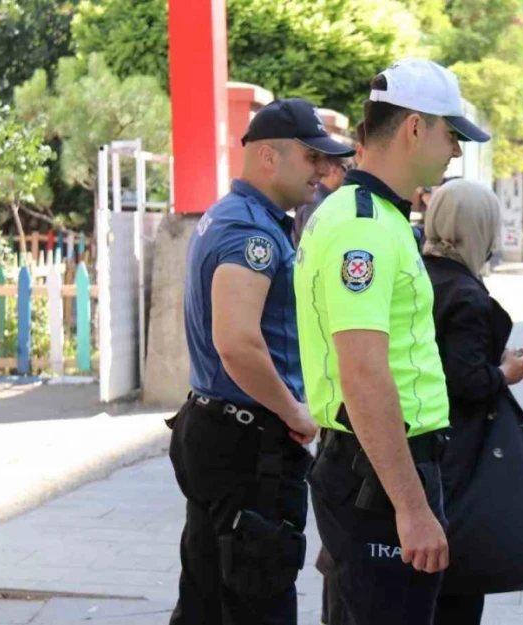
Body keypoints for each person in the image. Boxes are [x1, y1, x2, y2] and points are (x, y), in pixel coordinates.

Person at [294, 58, 490, 625]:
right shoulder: (365, 227)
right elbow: (363, 372)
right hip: (378, 479)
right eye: (451, 134)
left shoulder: (364, 215)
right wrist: (411, 506)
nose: (455, 151)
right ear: (414, 128)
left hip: (368, 469)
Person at [170, 97, 354, 624]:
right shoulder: (251, 232)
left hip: (217, 428)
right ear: (270, 157)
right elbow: (237, 343)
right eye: (312, 157)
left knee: (206, 596)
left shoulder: (230, 215)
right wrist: (294, 411)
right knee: (259, 599)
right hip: (247, 445)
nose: (322, 171)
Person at [421, 180, 523, 624]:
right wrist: (506, 372)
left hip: (420, 440)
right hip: (457, 452)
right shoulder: (466, 294)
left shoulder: (419, 273)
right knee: (456, 594)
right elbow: (467, 380)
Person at [292, 139, 352, 247]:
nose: (349, 174)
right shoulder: (317, 202)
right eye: (347, 168)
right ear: (334, 169)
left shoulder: (320, 198)